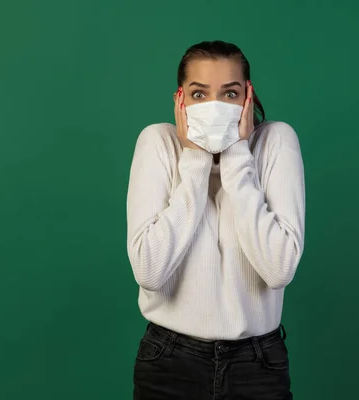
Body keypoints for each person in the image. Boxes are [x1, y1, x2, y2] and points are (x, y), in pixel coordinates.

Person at [126, 40, 305, 399]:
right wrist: (193, 163)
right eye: (199, 94)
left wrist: (238, 157)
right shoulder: (158, 143)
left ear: (247, 97)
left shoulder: (275, 142)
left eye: (229, 93)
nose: (214, 106)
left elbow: (279, 269)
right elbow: (149, 271)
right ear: (180, 100)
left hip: (257, 365)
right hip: (170, 361)